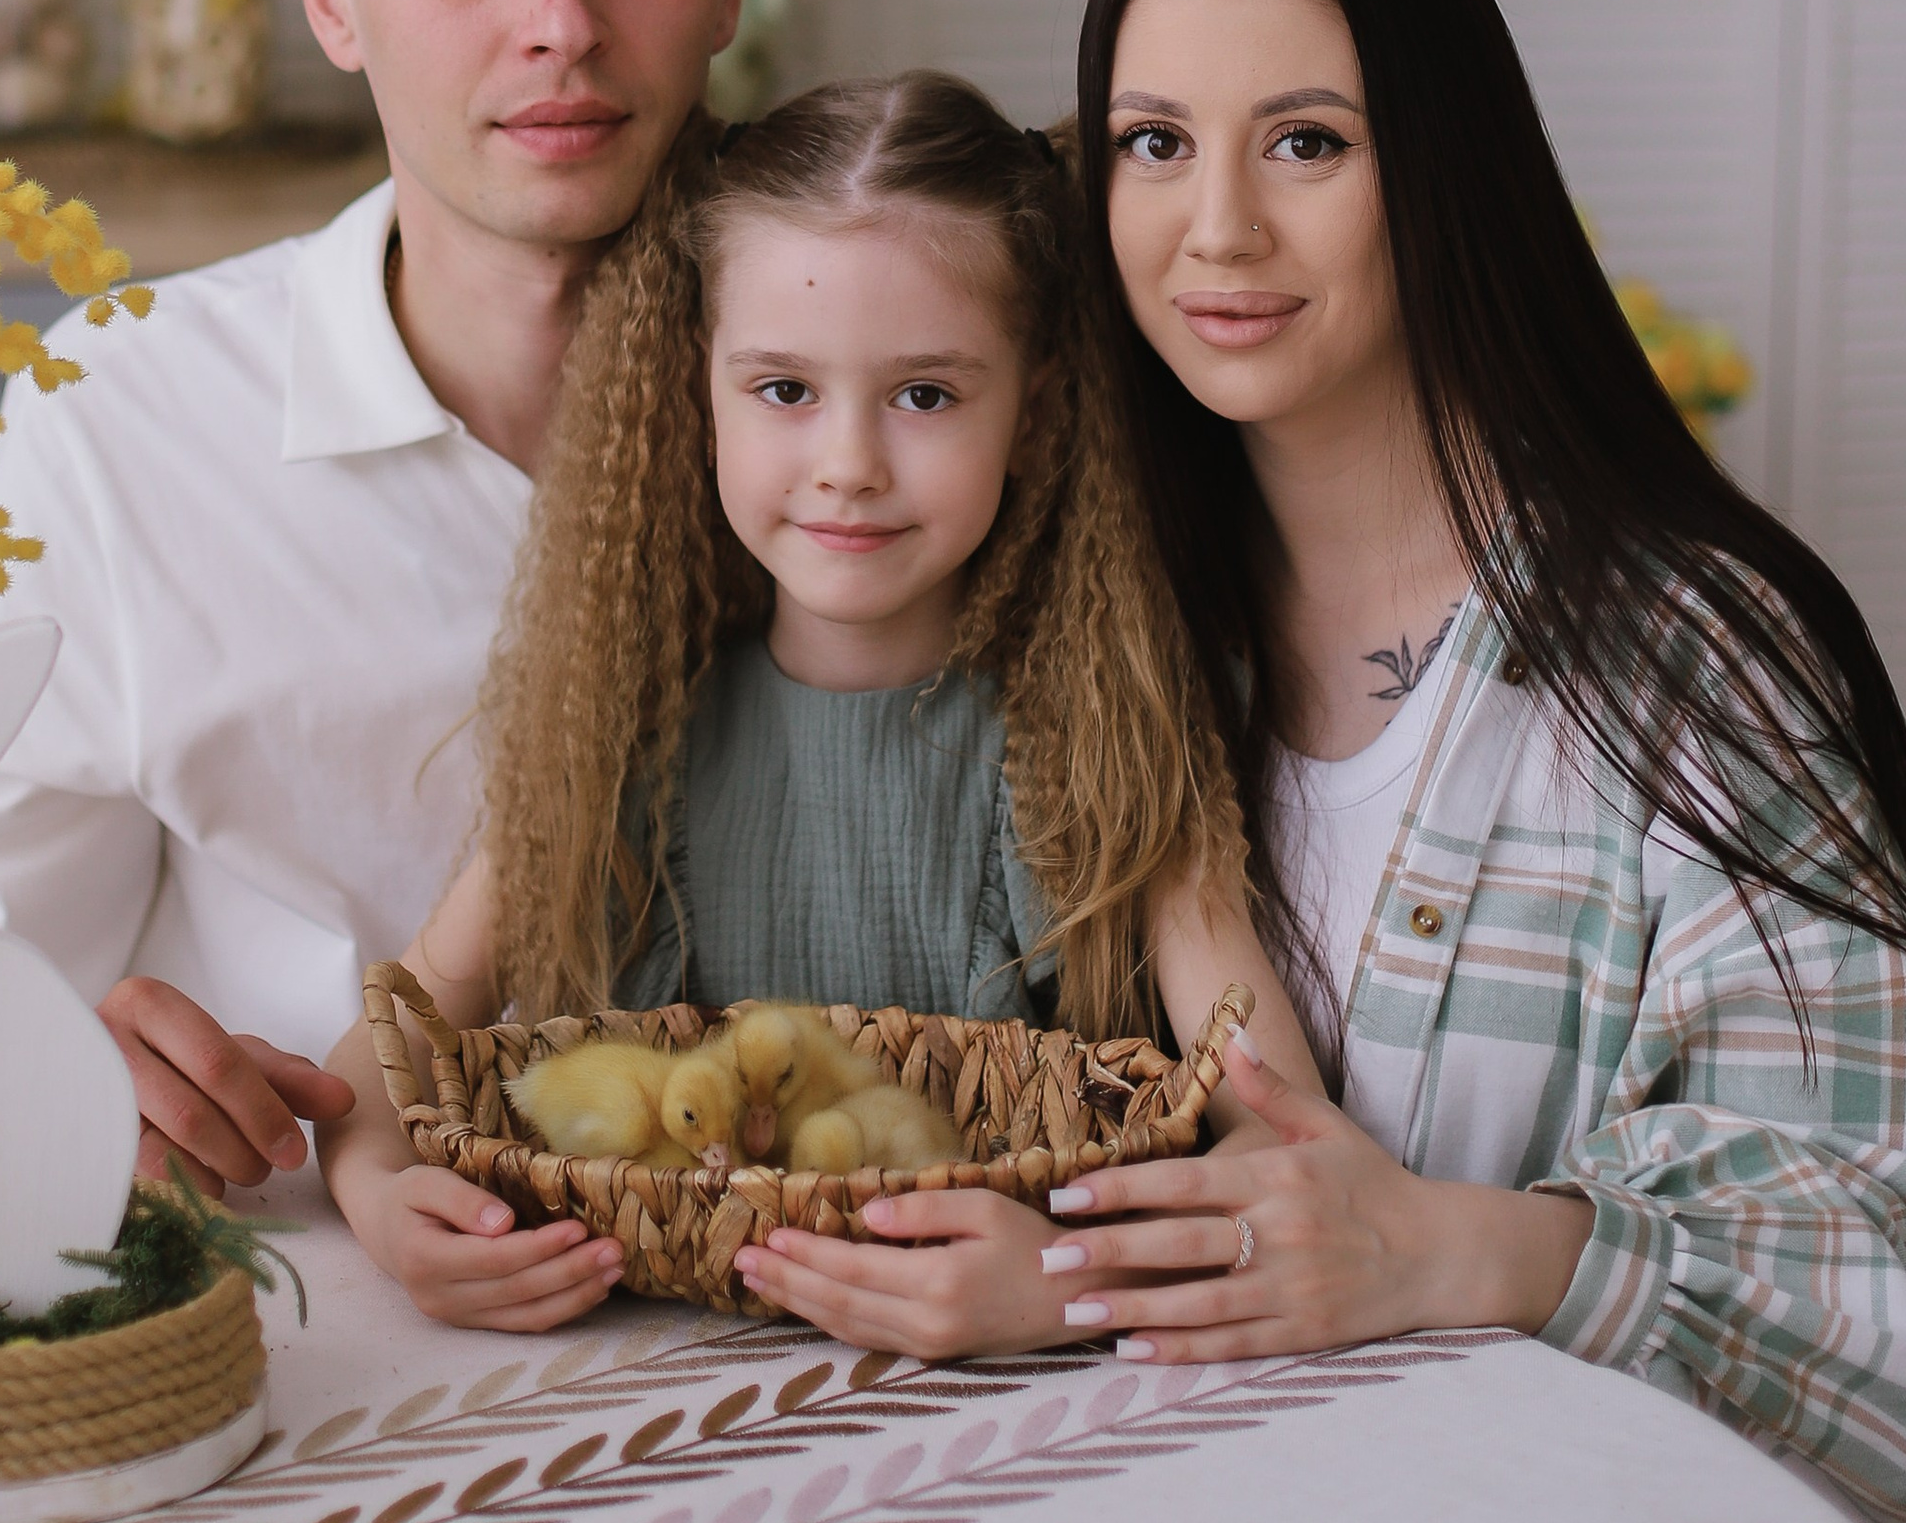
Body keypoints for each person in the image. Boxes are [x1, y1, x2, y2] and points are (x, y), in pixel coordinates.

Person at [954, 0, 1906, 1523]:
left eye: (1308, 145)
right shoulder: (1109, 639)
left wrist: (1452, 1249)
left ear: (1446, 173)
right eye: (1154, 146)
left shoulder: (1690, 658)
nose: (1219, 232)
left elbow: (1902, 1301)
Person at [0, 0, 746, 1193]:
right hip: (294, 1277)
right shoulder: (123, 414)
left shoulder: (895, 389)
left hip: (807, 1262)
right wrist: (65, 1063)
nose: (561, 24)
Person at [318, 72, 1318, 1346]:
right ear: (702, 392)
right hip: (654, 1395)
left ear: (1039, 408)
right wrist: (381, 1201)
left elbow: (1287, 1136)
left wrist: (1065, 1290)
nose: (848, 464)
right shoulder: (627, 742)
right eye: (784, 391)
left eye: (925, 395)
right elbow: (377, 1071)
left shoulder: (1104, 740)